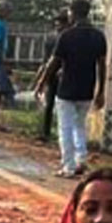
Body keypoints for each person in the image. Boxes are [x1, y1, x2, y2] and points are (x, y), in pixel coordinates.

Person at [44, 0, 106, 178]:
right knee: (79, 126)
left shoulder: (67, 35)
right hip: (87, 89)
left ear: (73, 12)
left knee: (65, 128)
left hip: (66, 89)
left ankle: (68, 166)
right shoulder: (98, 36)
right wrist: (100, 90)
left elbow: (53, 63)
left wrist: (41, 82)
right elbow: (101, 66)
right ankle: (81, 160)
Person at [33, 11, 70, 143]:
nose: (59, 26)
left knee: (54, 105)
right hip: (59, 74)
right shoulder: (64, 37)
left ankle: (47, 133)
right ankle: (50, 133)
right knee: (55, 105)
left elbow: (45, 61)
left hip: (56, 74)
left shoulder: (53, 37)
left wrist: (41, 77)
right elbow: (46, 60)